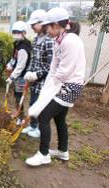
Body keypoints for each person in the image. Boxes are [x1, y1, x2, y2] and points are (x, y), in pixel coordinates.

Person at [25, 8, 86, 166]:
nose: (47, 30)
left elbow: (64, 72)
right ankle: (62, 151)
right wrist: (46, 88)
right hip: (61, 83)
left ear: (58, 25)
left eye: (49, 27)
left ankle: (43, 154)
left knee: (43, 116)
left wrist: (44, 97)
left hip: (70, 86)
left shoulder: (70, 41)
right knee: (59, 118)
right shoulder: (59, 40)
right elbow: (53, 68)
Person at [21, 10, 55, 138]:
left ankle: (40, 128)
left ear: (42, 23)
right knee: (32, 103)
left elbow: (50, 65)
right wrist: (29, 72)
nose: (31, 27)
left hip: (44, 81)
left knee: (40, 105)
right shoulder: (35, 40)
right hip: (34, 80)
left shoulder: (49, 41)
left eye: (34, 24)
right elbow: (34, 59)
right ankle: (33, 125)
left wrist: (37, 75)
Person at [6, 21, 32, 125]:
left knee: (19, 97)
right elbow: (14, 58)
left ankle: (21, 118)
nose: (16, 33)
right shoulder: (17, 44)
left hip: (22, 76)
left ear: (24, 32)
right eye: (14, 31)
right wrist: (10, 64)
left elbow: (21, 66)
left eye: (18, 32)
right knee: (16, 96)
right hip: (17, 75)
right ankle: (19, 115)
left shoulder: (24, 48)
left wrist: (11, 77)